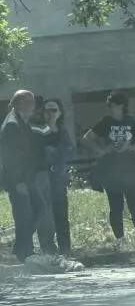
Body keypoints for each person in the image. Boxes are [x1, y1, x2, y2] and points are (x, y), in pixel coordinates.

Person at [83, 91, 135, 242]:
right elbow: (87, 138)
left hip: (130, 168)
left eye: (112, 105)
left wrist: (131, 147)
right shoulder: (105, 122)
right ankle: (120, 239)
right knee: (116, 206)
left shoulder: (133, 123)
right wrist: (102, 151)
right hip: (111, 169)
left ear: (121, 105)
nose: (109, 108)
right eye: (108, 105)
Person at [1, 90, 57, 261]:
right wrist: (17, 182)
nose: (34, 107)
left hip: (27, 178)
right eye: (31, 103)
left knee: (39, 209)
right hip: (19, 180)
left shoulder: (21, 121)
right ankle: (22, 252)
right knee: (24, 215)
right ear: (22, 104)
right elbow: (10, 157)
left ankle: (21, 247)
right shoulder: (12, 124)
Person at [41, 99, 76, 255]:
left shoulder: (63, 132)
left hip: (59, 178)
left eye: (53, 110)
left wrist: (55, 153)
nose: (50, 114)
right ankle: (48, 248)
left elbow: (69, 151)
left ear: (59, 113)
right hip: (42, 178)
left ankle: (65, 248)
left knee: (61, 214)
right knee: (44, 215)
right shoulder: (38, 131)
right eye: (47, 110)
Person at [28, 97, 59, 255]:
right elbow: (50, 136)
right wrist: (52, 122)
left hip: (44, 172)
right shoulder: (32, 126)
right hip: (35, 173)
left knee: (46, 209)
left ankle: (46, 245)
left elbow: (54, 141)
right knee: (42, 209)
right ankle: (44, 246)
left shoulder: (36, 126)